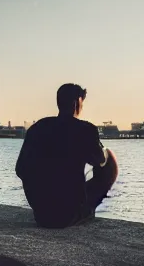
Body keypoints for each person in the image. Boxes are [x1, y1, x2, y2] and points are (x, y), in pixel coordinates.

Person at [16, 83, 118, 228]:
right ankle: (87, 210)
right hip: (68, 215)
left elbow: (20, 169)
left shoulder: (37, 128)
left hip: (42, 213)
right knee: (110, 159)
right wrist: (105, 152)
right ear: (77, 102)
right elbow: (99, 161)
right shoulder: (85, 130)